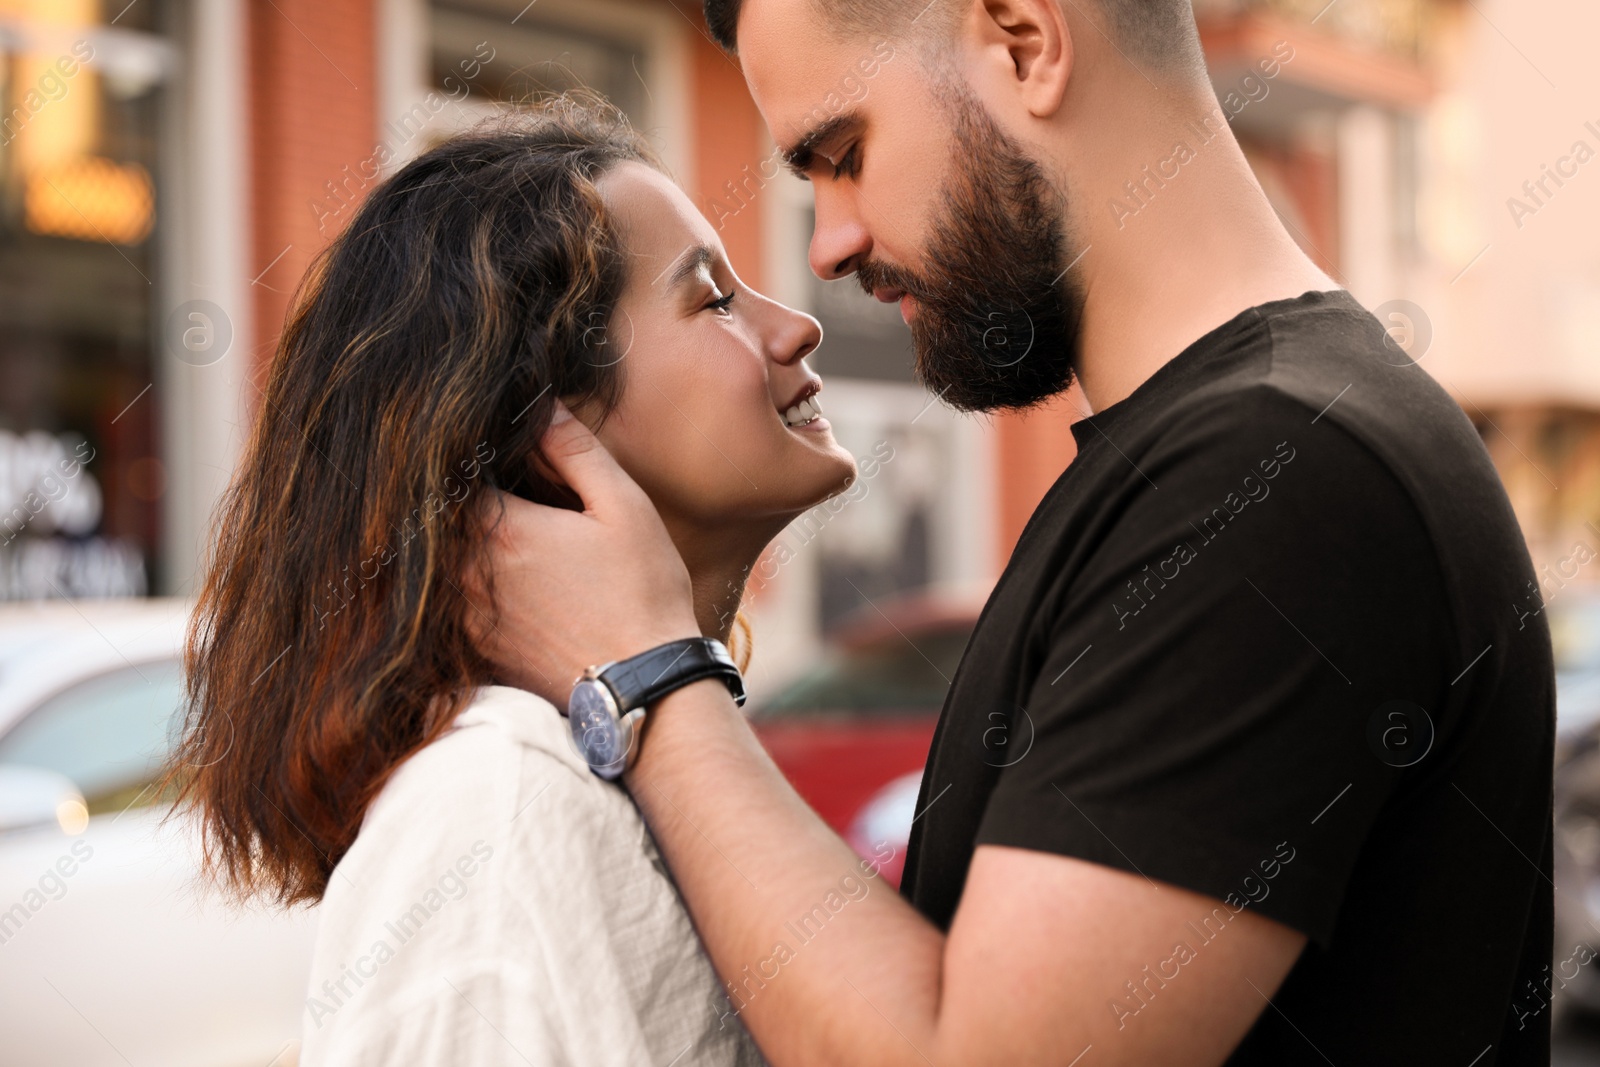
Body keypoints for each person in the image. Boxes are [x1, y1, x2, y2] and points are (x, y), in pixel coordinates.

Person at [471, 1, 1555, 1064]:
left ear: (1022, 40)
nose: (832, 247)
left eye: (844, 153)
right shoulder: (1223, 452)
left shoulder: (1275, 472)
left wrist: (647, 667)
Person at [167, 98, 861, 1065]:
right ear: (545, 426)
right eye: (713, 299)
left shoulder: (627, 761)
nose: (795, 328)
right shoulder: (497, 804)